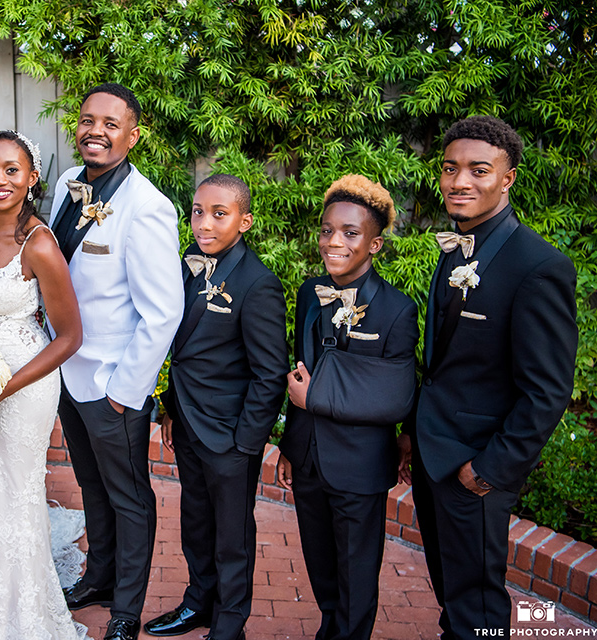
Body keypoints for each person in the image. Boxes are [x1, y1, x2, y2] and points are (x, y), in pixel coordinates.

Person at [402, 116, 578, 638]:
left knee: (479, 607)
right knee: (452, 590)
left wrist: (489, 469)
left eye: (479, 170)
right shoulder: (455, 249)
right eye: (450, 168)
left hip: (476, 466)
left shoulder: (539, 266)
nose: (461, 182)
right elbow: (441, 365)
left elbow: (548, 389)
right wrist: (414, 433)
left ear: (508, 179)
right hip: (437, 452)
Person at [49, 82, 184, 640]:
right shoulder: (64, 184)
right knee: (91, 485)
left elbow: (164, 313)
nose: (95, 131)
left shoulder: (149, 207)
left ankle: (125, 610)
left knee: (129, 498)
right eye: (87, 120)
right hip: (64, 373)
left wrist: (124, 391)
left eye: (110, 123)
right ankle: (99, 578)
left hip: (111, 385)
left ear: (132, 135)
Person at [0, 130, 85, 639]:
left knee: (10, 497)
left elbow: (68, 337)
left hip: (22, 385)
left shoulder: (39, 243)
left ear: (32, 178)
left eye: (12, 170)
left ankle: (18, 618)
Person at [144, 174, 288, 640]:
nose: (204, 223)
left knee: (232, 538)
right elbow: (183, 349)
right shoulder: (186, 268)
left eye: (219, 214)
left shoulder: (257, 284)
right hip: (187, 421)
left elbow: (270, 373)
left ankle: (229, 625)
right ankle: (197, 603)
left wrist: (246, 443)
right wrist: (169, 407)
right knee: (196, 522)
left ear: (244, 221)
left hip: (229, 434)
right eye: (197, 212)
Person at [277, 175, 418, 640]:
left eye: (350, 233)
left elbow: (393, 396)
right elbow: (302, 371)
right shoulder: (308, 293)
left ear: (375, 244)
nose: (333, 241)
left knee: (356, 577)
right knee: (319, 565)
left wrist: (315, 397)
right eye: (326, 230)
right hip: (310, 456)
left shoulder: (398, 310)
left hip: (358, 466)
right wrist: (289, 445)